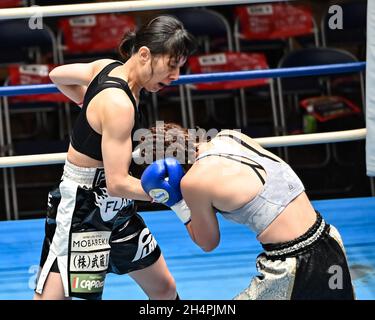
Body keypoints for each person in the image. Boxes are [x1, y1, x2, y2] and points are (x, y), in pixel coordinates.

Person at [33, 16, 196, 300]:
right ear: (144, 54)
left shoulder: (106, 68)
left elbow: (57, 74)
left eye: (179, 67)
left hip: (118, 210)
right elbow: (118, 183)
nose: (175, 76)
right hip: (83, 210)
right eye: (171, 65)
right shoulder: (119, 104)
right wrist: (172, 197)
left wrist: (85, 103)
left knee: (164, 289)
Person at [139, 123, 355, 300]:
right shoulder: (229, 136)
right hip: (329, 239)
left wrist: (177, 202)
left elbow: (207, 243)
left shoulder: (194, 181)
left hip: (291, 265)